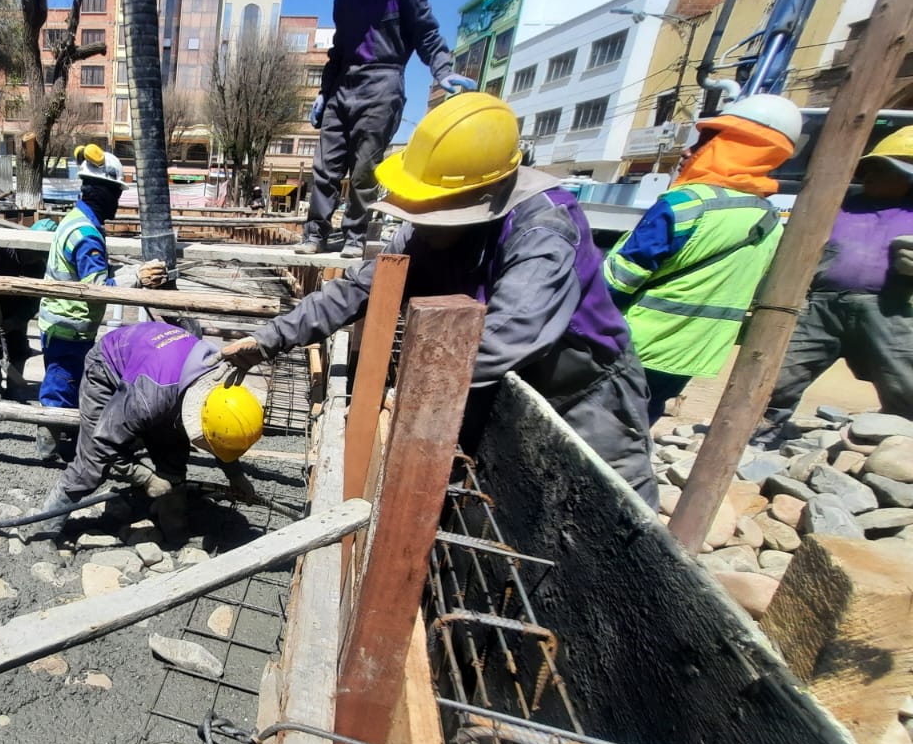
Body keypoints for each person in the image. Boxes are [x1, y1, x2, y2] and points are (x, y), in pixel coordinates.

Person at [222, 94, 659, 508]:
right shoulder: (429, 232)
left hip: (581, 393)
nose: (421, 224)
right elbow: (358, 289)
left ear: (477, 201)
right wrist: (267, 340)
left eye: (431, 213)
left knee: (609, 515)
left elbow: (505, 336)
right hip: (482, 387)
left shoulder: (542, 231)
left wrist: (404, 396)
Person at [604, 95, 800, 423]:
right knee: (638, 424)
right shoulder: (768, 220)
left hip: (636, 342)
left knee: (598, 423)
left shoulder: (686, 204)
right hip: (694, 353)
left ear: (730, 147)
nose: (687, 151)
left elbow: (617, 280)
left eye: (703, 143)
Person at [751, 128, 913, 446]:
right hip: (819, 305)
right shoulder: (838, 206)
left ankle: (899, 448)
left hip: (891, 310)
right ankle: (759, 431)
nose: (874, 175)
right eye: (873, 167)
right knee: (782, 374)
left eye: (887, 169)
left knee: (904, 382)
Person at [38, 320, 264, 543]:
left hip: (160, 362)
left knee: (173, 451)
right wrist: (145, 478)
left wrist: (235, 475)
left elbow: (218, 432)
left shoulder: (223, 386)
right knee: (91, 466)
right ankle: (43, 532)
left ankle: (171, 522)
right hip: (108, 362)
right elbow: (102, 442)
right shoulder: (148, 399)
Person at [297, 0, 475, 258]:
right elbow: (338, 50)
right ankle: (315, 233)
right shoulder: (344, 1)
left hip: (382, 80)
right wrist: (325, 91)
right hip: (343, 82)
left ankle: (355, 237)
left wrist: (443, 69)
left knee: (364, 170)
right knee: (325, 168)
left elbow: (426, 32)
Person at [34, 144, 122, 460]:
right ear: (100, 192)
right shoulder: (86, 232)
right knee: (60, 383)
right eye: (116, 193)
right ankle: (48, 442)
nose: (118, 201)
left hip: (59, 321)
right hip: (69, 325)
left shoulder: (75, 219)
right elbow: (98, 286)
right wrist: (135, 276)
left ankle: (62, 433)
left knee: (69, 380)